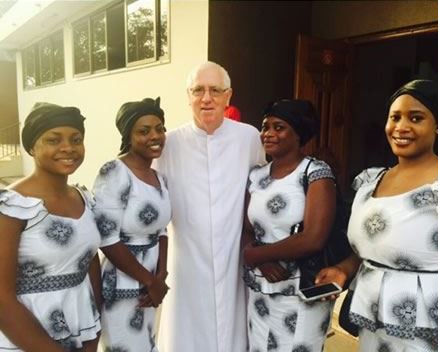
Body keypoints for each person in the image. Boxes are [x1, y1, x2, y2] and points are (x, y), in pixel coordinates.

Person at [316, 79, 438, 351]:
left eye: (416, 118)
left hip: (428, 334)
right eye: (394, 117)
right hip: (373, 327)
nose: (401, 127)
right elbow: (374, 250)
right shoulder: (372, 180)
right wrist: (344, 269)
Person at [154, 61, 265, 352]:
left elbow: (263, 190)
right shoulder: (169, 143)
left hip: (232, 257)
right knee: (184, 334)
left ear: (228, 96)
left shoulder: (249, 137)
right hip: (185, 259)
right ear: (187, 96)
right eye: (198, 90)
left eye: (215, 90)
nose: (206, 98)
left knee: (232, 332)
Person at [0, 103, 101, 351]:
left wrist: (94, 329)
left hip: (82, 333)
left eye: (76, 139)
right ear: (32, 147)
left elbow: (90, 261)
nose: (68, 147)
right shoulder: (13, 207)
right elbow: (2, 298)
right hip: (28, 340)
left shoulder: (84, 197)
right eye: (53, 140)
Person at [241, 99, 338, 352]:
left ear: (298, 134)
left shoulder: (315, 172)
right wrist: (262, 261)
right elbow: (246, 229)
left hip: (299, 290)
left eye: (279, 127)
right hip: (260, 289)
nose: (268, 134)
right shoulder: (256, 175)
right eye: (265, 127)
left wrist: (255, 254)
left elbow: (313, 238)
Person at [92, 97, 171, 352]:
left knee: (147, 346)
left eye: (159, 128)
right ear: (128, 135)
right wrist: (149, 280)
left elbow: (162, 231)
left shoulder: (159, 177)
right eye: (144, 131)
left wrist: (161, 276)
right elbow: (107, 238)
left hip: (152, 287)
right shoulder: (115, 172)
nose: (155, 136)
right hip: (123, 286)